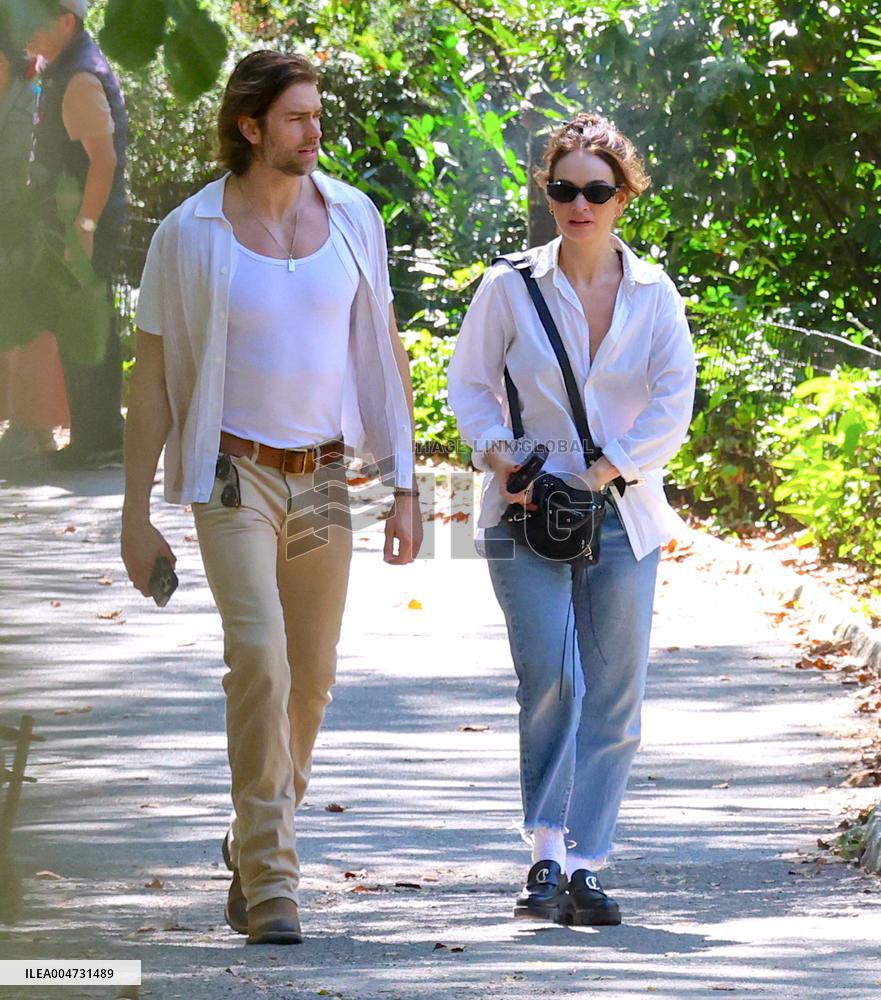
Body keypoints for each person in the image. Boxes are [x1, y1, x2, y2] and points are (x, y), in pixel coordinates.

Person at [120, 50, 422, 946]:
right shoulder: (190, 233)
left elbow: (385, 349)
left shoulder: (353, 217)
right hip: (229, 471)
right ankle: (275, 882)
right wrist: (134, 514)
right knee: (259, 654)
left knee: (314, 676)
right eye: (296, 118)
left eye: (316, 115)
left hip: (324, 474)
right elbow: (152, 379)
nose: (314, 131)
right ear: (249, 127)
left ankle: (252, 838)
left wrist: (405, 483)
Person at [448, 113, 696, 926]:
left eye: (595, 190)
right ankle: (545, 854)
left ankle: (589, 862)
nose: (578, 204)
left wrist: (600, 470)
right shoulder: (508, 285)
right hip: (521, 511)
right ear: (546, 194)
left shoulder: (655, 294)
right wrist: (499, 457)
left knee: (615, 692)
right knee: (553, 679)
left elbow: (672, 404)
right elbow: (471, 385)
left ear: (623, 196)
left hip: (622, 510)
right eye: (563, 189)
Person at [27, 0, 127, 469]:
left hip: (81, 227)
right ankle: (96, 437)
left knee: (86, 327)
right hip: (72, 224)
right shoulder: (66, 65)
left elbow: (103, 160)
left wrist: (84, 228)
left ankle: (99, 441)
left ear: (67, 21)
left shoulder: (81, 77)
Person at [0, 34, 69, 462]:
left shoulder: (31, 94)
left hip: (22, 225)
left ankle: (35, 427)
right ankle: (31, 428)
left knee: (24, 325)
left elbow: (25, 163)